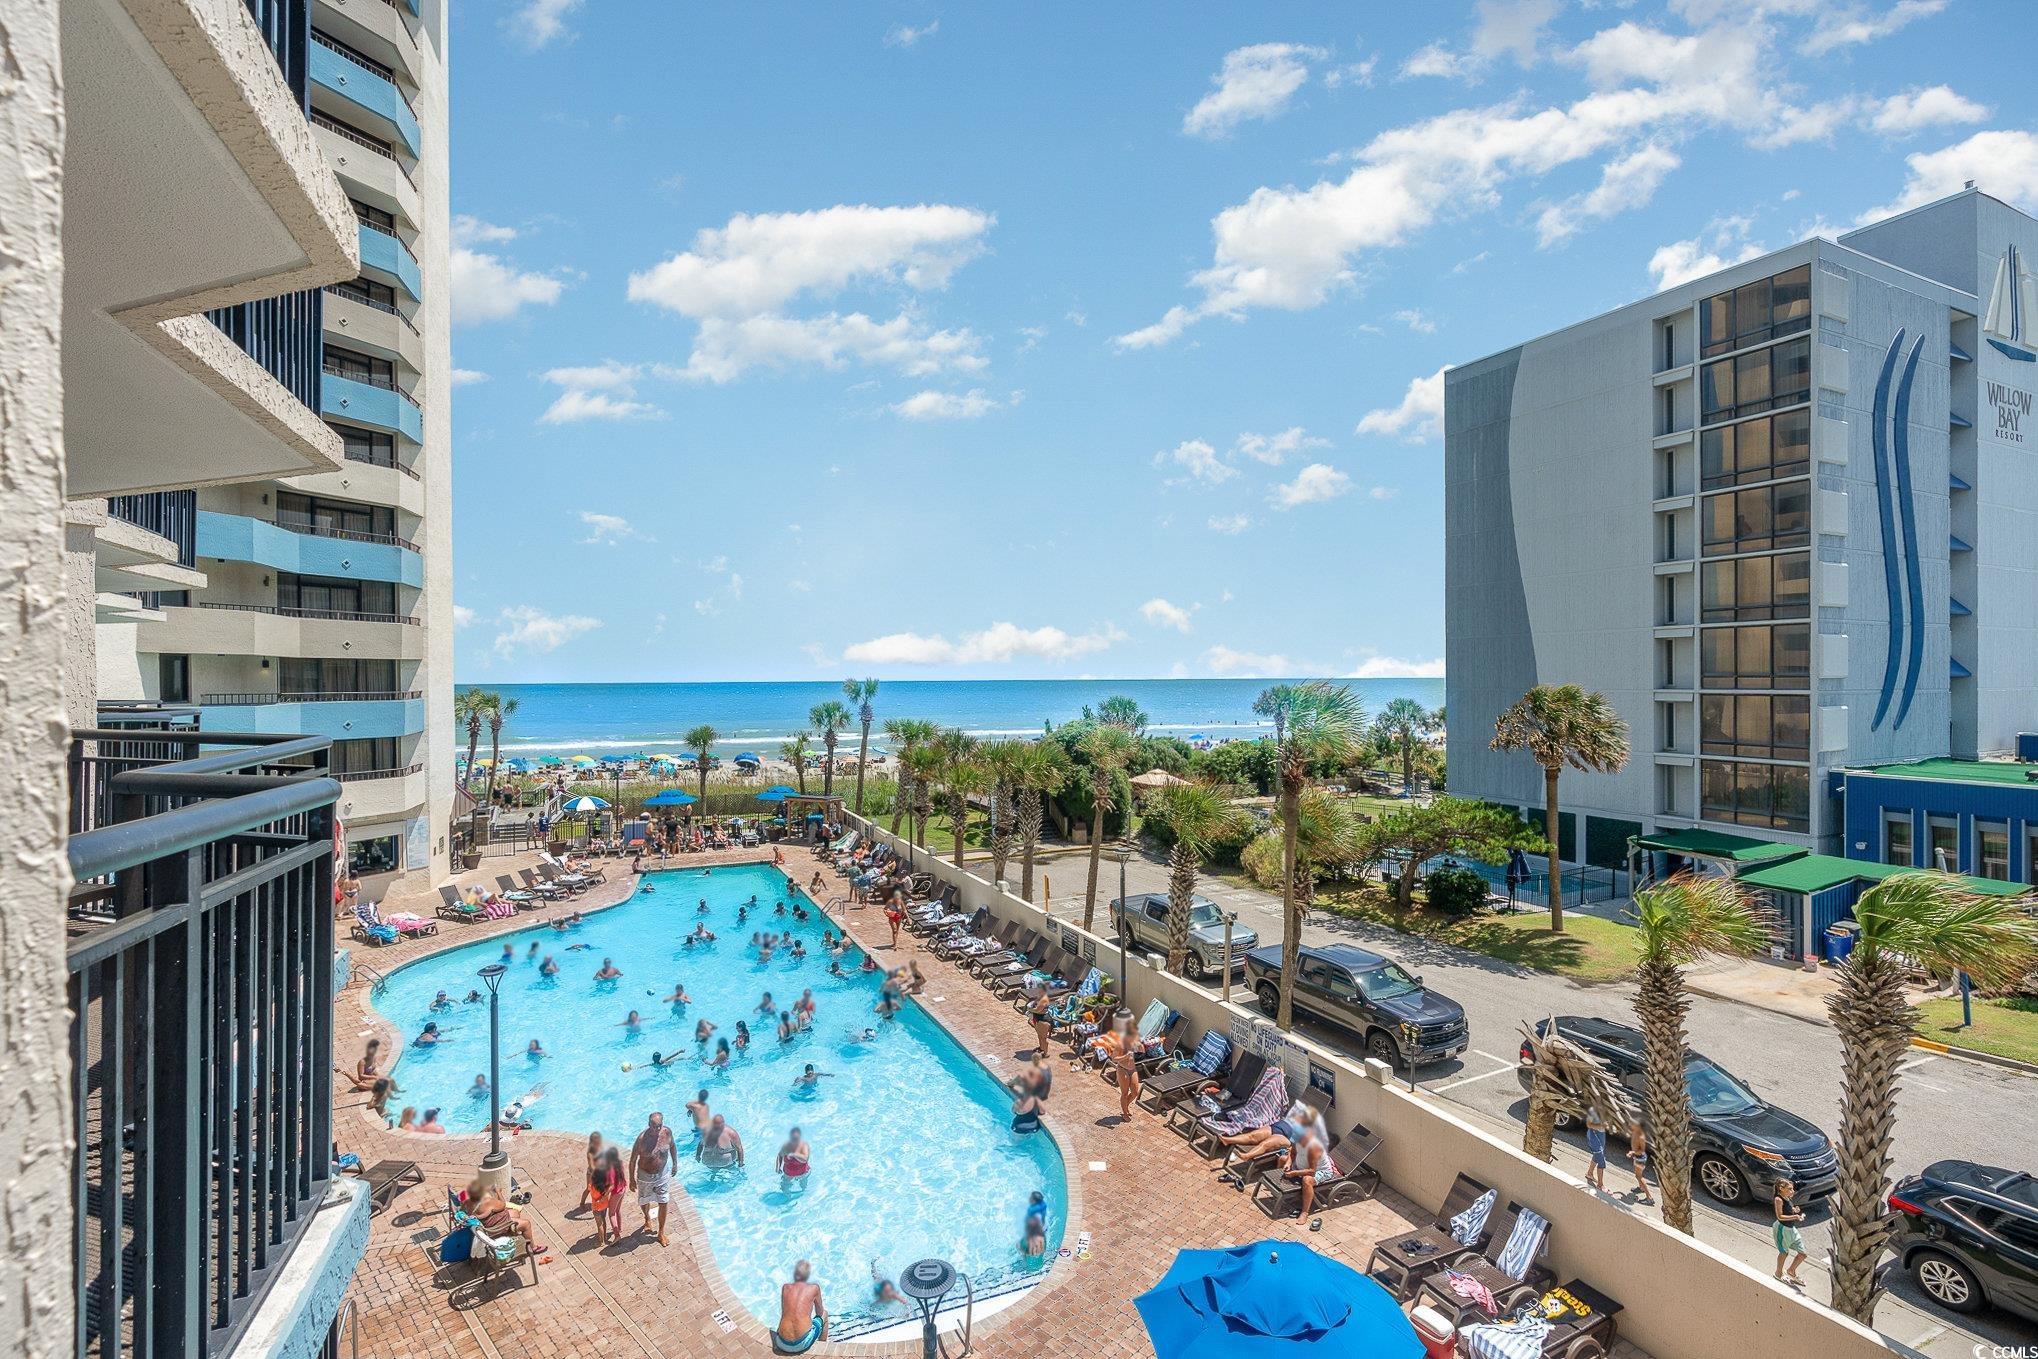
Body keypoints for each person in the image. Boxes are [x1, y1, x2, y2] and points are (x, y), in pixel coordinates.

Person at [462, 1176, 545, 1257]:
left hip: (487, 1224)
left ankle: (515, 1233)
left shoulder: (467, 1202)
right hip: (497, 1227)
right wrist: (499, 1192)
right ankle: (532, 1248)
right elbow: (503, 1204)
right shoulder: (487, 1202)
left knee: (515, 1212)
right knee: (526, 1224)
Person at [631, 1112, 677, 1245]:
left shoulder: (667, 1133)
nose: (656, 1129)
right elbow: (633, 1160)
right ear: (649, 1124)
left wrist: (675, 1164)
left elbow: (673, 1146)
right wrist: (631, 1179)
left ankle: (661, 1232)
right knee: (644, 1201)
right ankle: (647, 1218)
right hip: (645, 1176)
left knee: (663, 1201)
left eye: (659, 1126)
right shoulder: (641, 1139)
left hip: (662, 1174)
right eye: (653, 1126)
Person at [773, 1260, 827, 1355]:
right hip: (802, 1344)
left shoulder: (785, 1287)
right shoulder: (814, 1288)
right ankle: (821, 1349)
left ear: (795, 1273)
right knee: (825, 1314)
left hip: (781, 1342)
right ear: (808, 1275)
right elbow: (819, 1312)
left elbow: (784, 1312)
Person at [1773, 1178, 1808, 1289]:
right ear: (1781, 1188)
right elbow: (1780, 1216)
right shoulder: (1778, 1199)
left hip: (1791, 1229)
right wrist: (1795, 1216)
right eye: (1789, 1189)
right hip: (1782, 1229)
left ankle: (1791, 1271)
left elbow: (1787, 1209)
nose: (1792, 1191)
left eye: (1792, 1189)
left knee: (1802, 1254)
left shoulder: (1787, 1197)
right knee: (1784, 1252)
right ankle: (1778, 1274)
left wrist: (1794, 1210)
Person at [590, 1146, 628, 1246]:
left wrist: (603, 1197)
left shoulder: (610, 1168)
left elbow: (611, 1186)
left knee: (611, 1214)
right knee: (617, 1210)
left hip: (616, 1192)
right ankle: (619, 1228)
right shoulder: (619, 1163)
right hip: (623, 1188)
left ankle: (617, 1235)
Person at [1626, 1117, 1655, 1204]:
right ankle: (1641, 1188)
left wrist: (1632, 1152)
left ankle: (1649, 1198)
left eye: (1634, 1124)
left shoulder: (1641, 1137)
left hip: (1640, 1158)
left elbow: (1642, 1150)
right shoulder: (1635, 1131)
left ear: (1639, 1127)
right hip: (1636, 1156)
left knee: (1639, 1176)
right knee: (1637, 1175)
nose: (1632, 1125)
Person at [1583, 1105, 1609, 1192]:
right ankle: (1600, 1185)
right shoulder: (1592, 1110)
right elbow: (1589, 1124)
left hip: (1601, 1135)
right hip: (1594, 1136)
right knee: (1601, 1161)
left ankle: (1589, 1174)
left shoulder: (1605, 1107)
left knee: (1597, 1156)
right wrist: (1601, 1125)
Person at [578, 1131, 606, 1211]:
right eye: (596, 1141)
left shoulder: (601, 1148)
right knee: (589, 1188)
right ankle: (582, 1203)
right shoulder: (590, 1152)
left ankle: (601, 1202)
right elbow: (591, 1166)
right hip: (592, 1173)